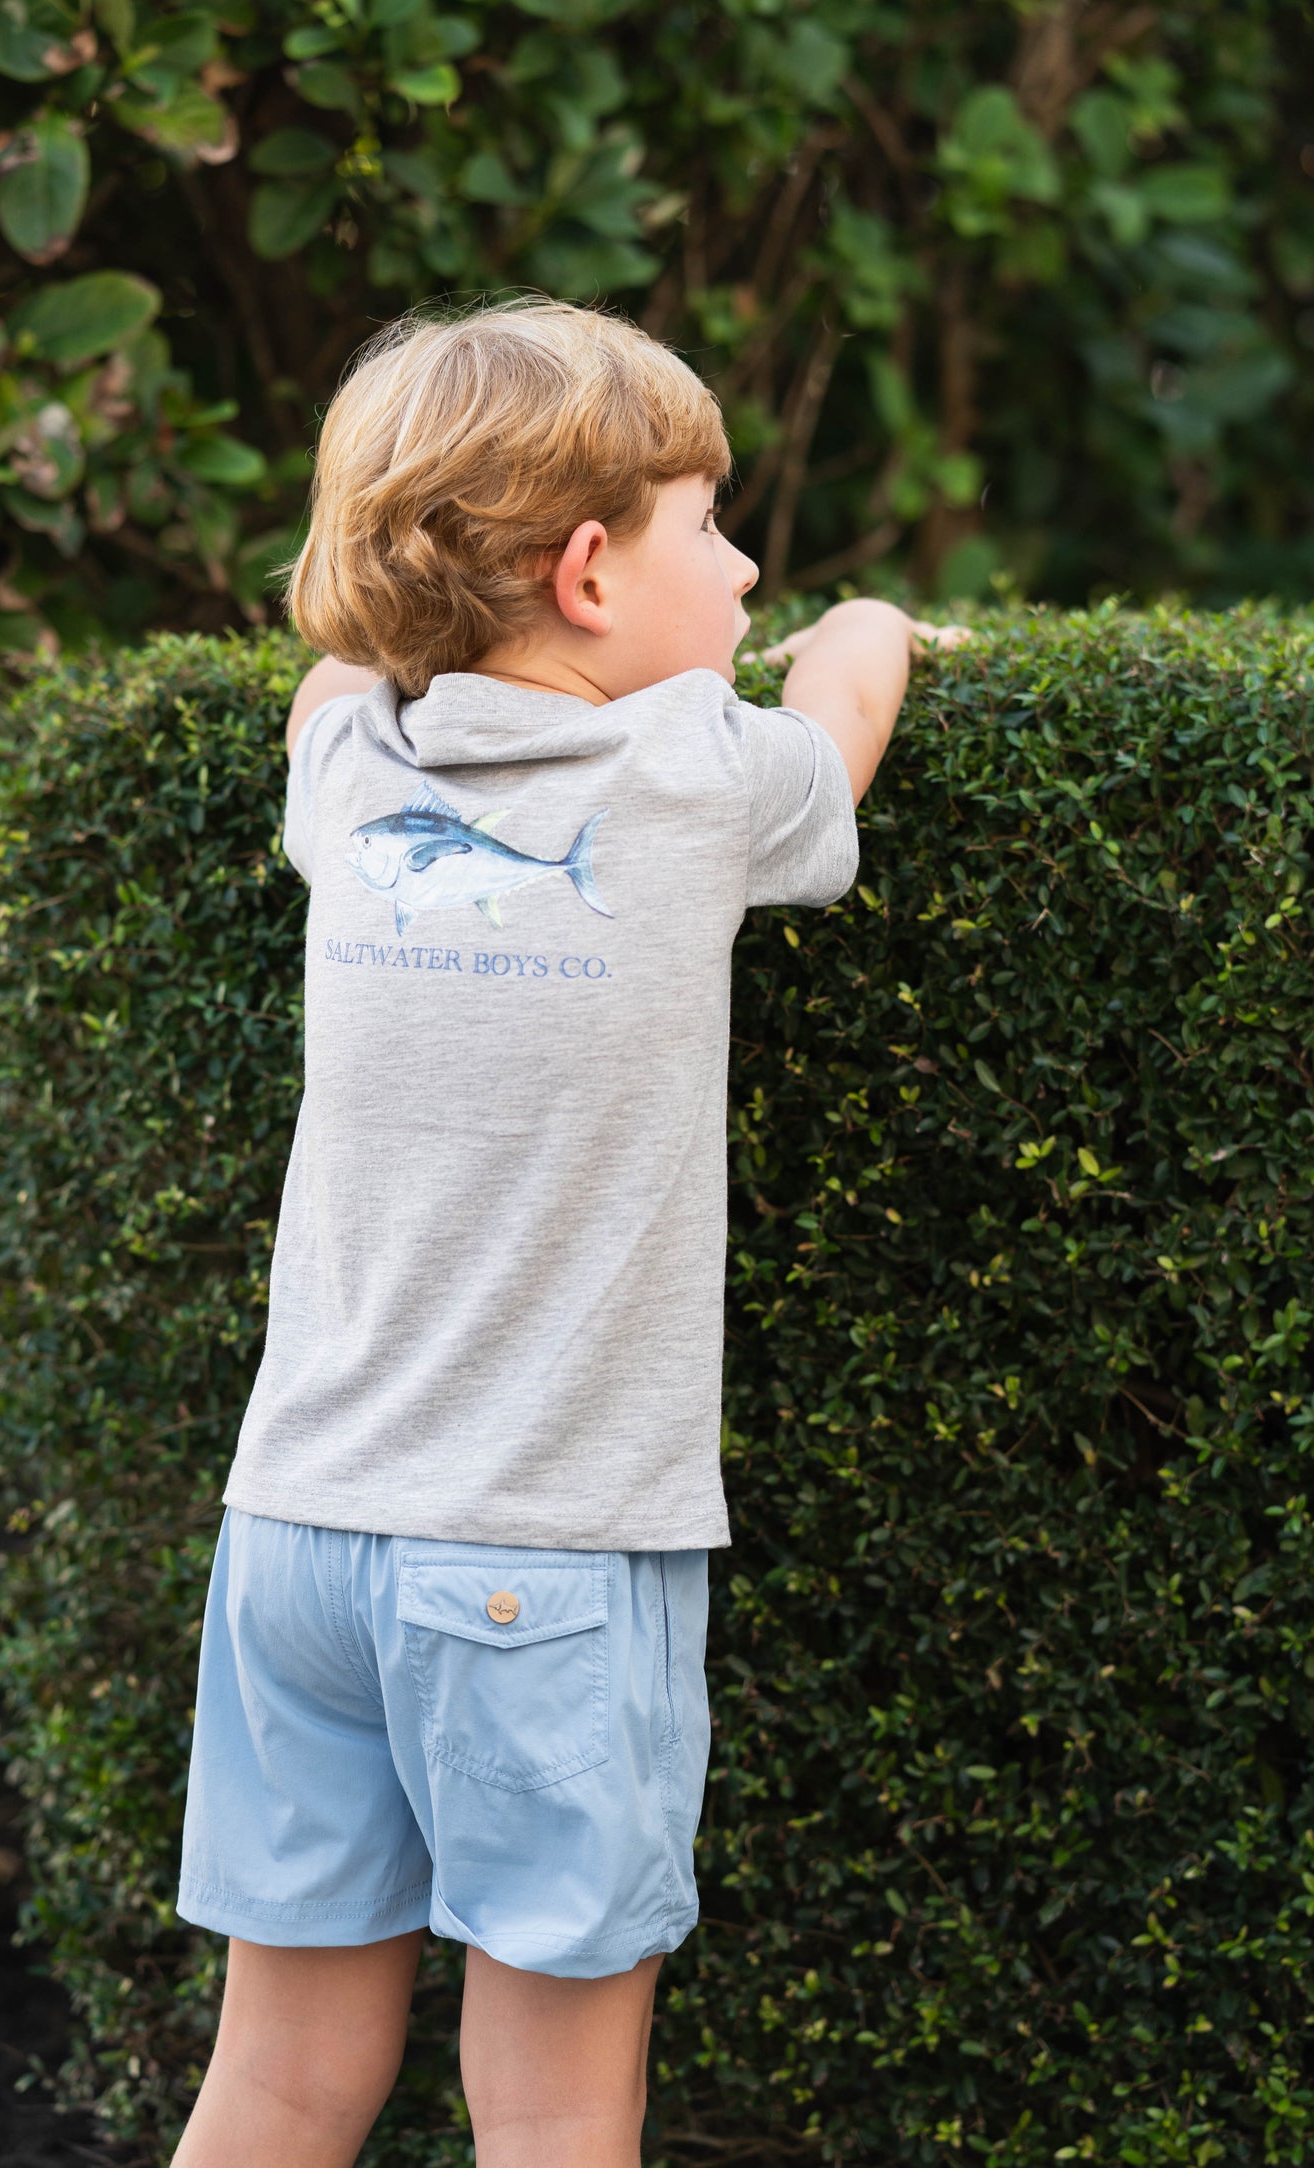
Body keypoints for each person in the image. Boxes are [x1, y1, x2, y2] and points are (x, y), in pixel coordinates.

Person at [171, 298, 964, 2168]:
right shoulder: (688, 776)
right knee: (550, 2110)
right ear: (592, 571)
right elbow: (833, 734)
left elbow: (328, 685)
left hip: (293, 1536)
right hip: (545, 1556)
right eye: (714, 525)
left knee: (278, 2077)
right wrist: (862, 634)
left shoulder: (355, 778)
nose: (752, 567)